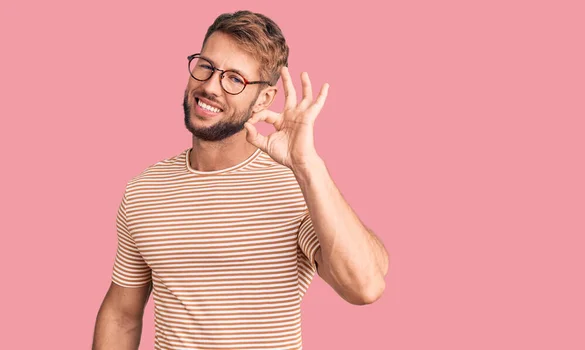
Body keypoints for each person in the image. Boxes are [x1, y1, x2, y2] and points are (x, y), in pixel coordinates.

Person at [92, 10, 389, 350]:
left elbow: (364, 286)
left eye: (234, 79)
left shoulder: (297, 187)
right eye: (206, 66)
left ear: (263, 99)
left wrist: (307, 165)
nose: (209, 86)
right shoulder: (144, 190)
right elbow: (121, 314)